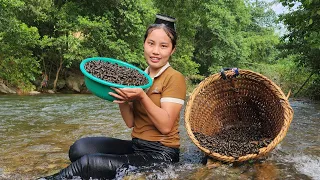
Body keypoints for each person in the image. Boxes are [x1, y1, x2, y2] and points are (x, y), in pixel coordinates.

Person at [39, 14, 186, 180]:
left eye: (164, 46)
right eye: (151, 43)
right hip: (137, 146)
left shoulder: (174, 78)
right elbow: (130, 122)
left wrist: (141, 97)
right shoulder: (140, 77)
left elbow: (166, 126)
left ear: (172, 50)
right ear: (144, 43)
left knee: (88, 165)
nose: (155, 51)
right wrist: (121, 96)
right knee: (79, 149)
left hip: (161, 155)